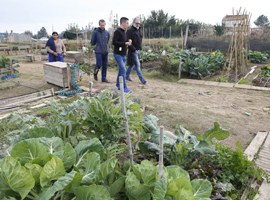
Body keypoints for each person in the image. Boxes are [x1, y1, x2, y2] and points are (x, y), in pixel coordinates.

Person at [112, 17, 132, 93]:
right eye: (127, 23)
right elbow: (114, 42)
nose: (128, 24)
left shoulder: (124, 32)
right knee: (123, 70)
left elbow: (124, 41)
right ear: (123, 23)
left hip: (123, 54)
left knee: (121, 70)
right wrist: (125, 43)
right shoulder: (117, 31)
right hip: (118, 54)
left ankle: (118, 84)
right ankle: (123, 87)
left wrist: (128, 41)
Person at [126, 17, 147, 84]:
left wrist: (140, 48)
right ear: (133, 23)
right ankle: (142, 80)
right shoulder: (129, 31)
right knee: (137, 65)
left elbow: (140, 40)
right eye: (136, 23)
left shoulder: (139, 30)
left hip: (138, 50)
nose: (138, 24)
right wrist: (133, 49)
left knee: (131, 65)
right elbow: (128, 41)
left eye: (139, 23)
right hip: (133, 50)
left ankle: (126, 76)